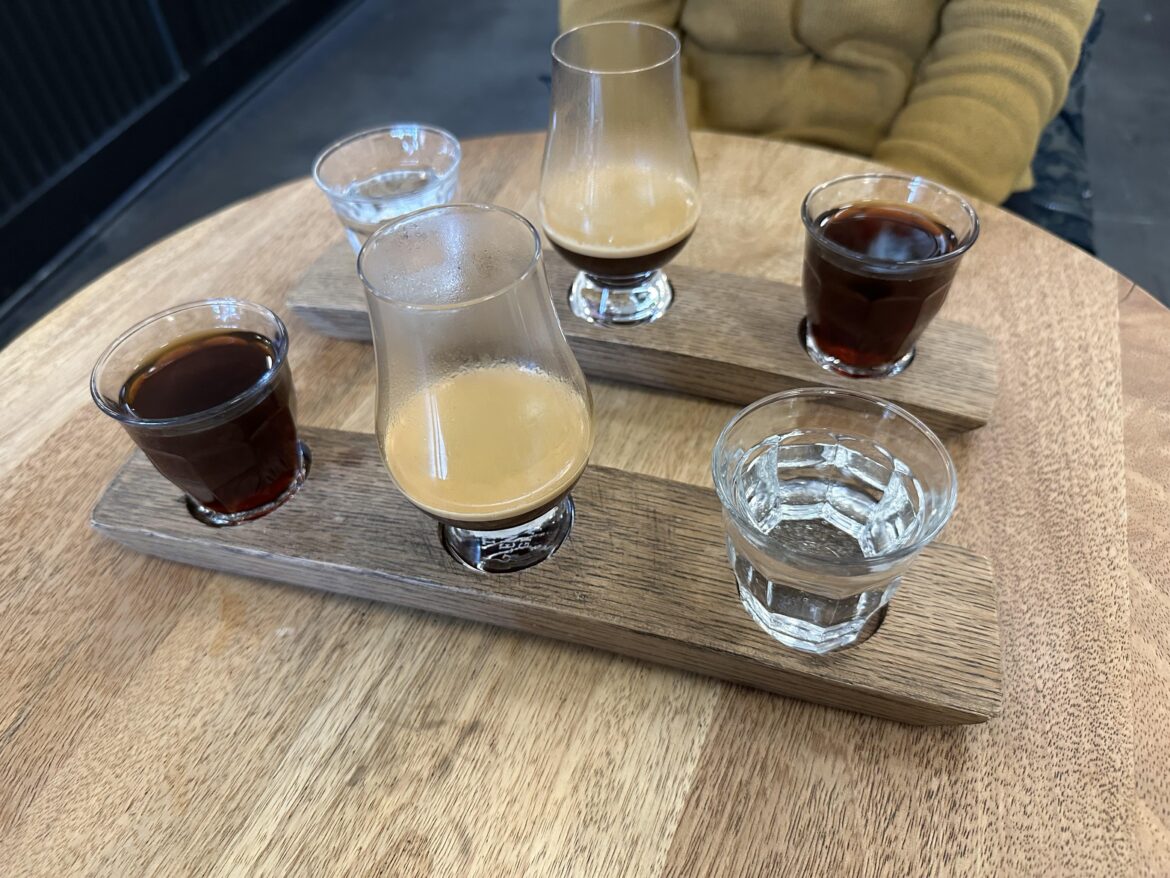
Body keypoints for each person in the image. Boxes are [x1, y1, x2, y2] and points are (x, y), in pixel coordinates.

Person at [561, 0, 1100, 248]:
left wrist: (896, 218)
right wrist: (676, 175)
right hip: (687, 148)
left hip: (916, 165)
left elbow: (1010, 48)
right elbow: (617, 26)